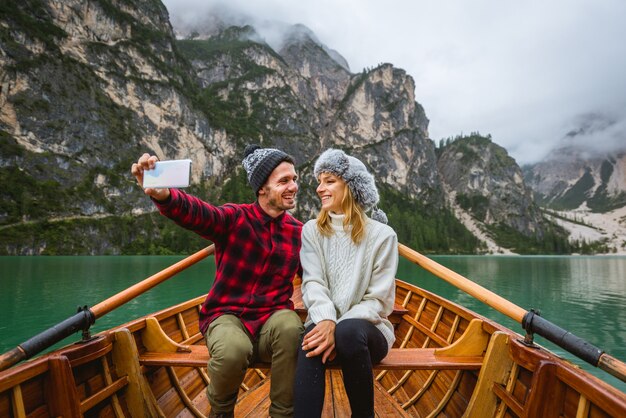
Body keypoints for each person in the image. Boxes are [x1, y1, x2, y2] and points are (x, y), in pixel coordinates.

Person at [131, 145, 304, 418]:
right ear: (261, 188)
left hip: (273, 319)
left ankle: (283, 414)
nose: (293, 186)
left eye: (294, 179)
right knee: (234, 350)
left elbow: (318, 279)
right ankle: (220, 413)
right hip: (226, 316)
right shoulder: (234, 218)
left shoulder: (299, 233)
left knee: (292, 328)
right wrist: (164, 195)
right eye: (284, 181)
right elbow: (196, 212)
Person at [293, 149, 398, 418]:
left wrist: (336, 326)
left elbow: (379, 300)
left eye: (329, 181)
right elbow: (313, 283)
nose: (319, 188)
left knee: (348, 332)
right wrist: (326, 320)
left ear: (351, 186)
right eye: (319, 181)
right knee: (310, 339)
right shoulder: (311, 231)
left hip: (368, 332)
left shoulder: (383, 235)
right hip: (324, 322)